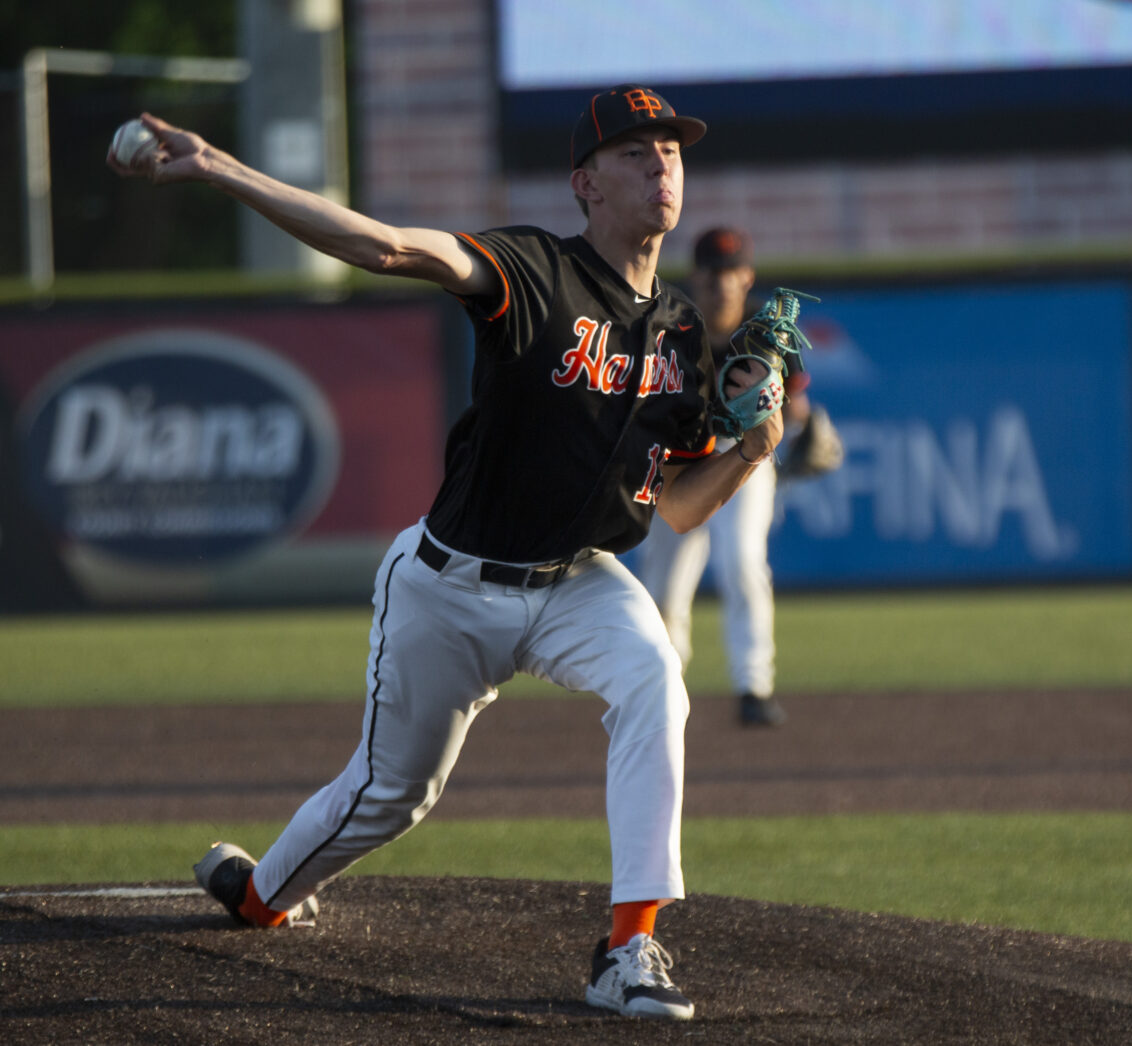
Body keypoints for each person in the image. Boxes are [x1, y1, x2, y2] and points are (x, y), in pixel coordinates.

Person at [108, 83, 789, 1022]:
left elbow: (676, 508)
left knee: (654, 680)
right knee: (392, 795)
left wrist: (752, 453)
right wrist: (220, 169)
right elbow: (387, 245)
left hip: (579, 582)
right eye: (635, 151)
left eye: (670, 148)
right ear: (586, 185)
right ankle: (261, 893)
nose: (661, 162)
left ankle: (630, 945)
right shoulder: (533, 269)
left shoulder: (679, 334)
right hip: (449, 585)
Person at [639, 227, 804, 727]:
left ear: (748, 276)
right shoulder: (671, 326)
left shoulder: (766, 334)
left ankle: (754, 687)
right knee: (663, 582)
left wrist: (795, 431)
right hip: (681, 457)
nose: (722, 283)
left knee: (743, 564)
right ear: (697, 276)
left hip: (742, 456)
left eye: (732, 272)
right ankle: (662, 683)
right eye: (713, 272)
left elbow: (796, 409)